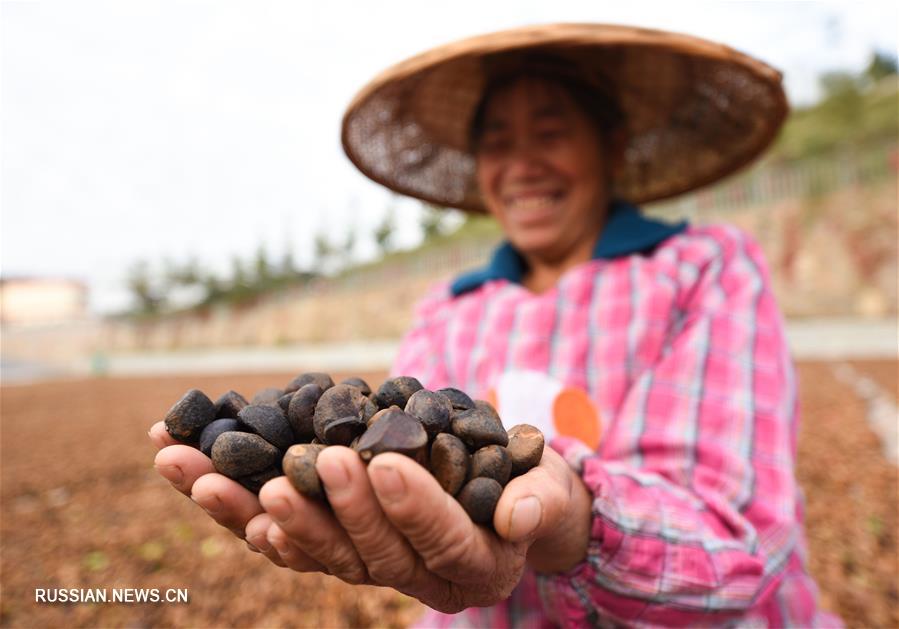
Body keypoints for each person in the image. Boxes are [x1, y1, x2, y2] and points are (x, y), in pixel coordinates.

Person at [150, 24, 842, 627]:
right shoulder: (448, 305)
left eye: (550, 131)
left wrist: (573, 517)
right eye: (495, 140)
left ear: (612, 143)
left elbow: (738, 538)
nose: (521, 164)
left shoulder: (703, 266)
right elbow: (398, 452)